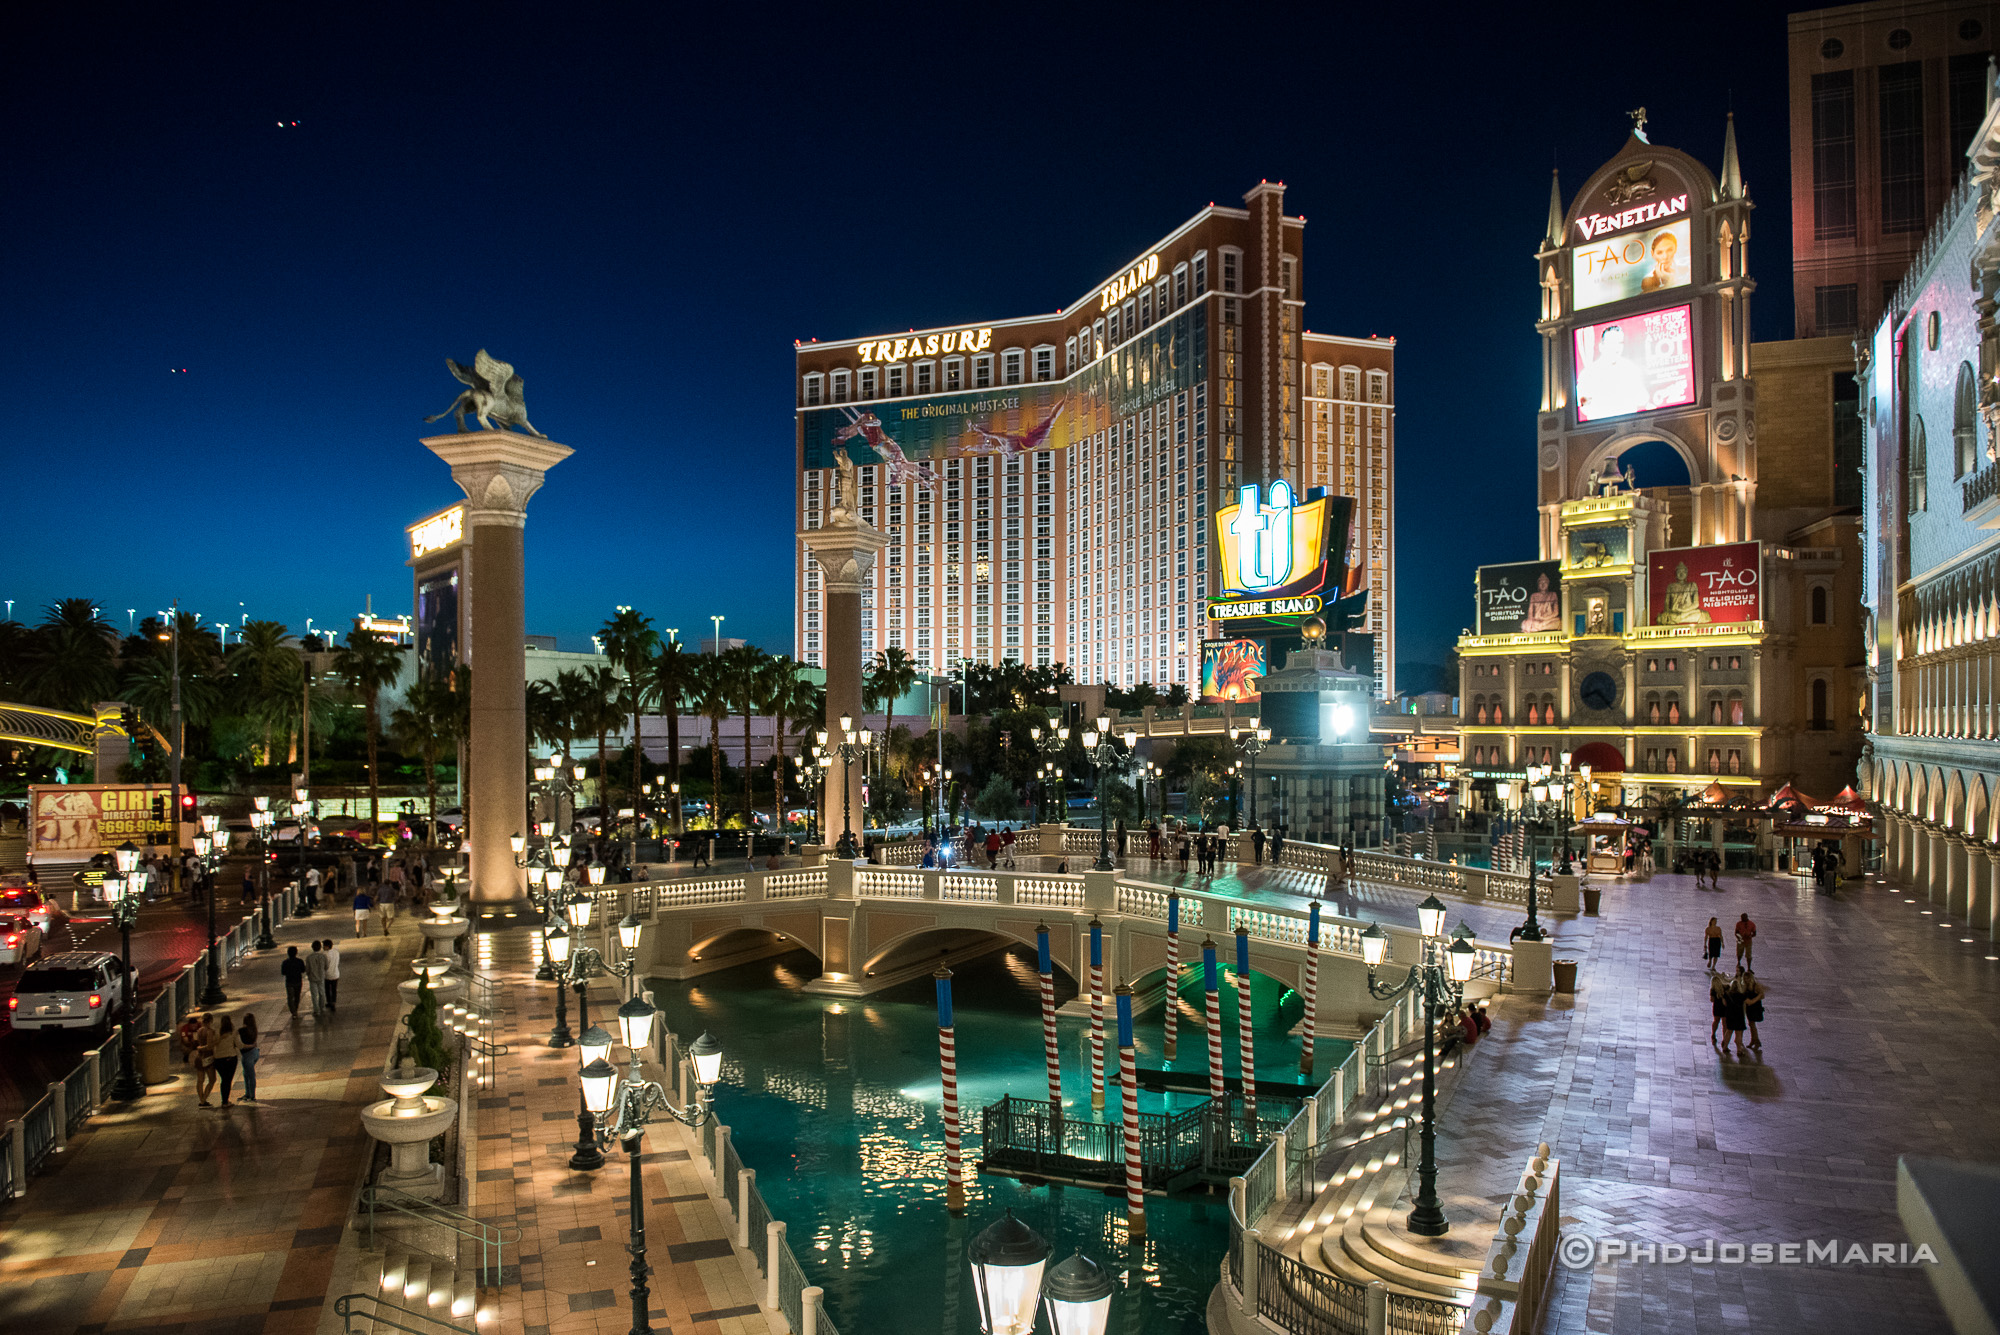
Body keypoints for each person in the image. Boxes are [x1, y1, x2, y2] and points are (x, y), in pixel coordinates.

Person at [211, 1015, 242, 1107]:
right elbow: (239, 1045)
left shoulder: (217, 1033)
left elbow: (213, 1044)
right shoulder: (233, 1033)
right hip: (230, 1058)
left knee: (224, 1080)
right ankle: (225, 1101)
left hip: (218, 1060)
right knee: (228, 1080)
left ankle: (224, 1100)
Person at [191, 1012, 219, 1106]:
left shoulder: (199, 1031)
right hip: (208, 1058)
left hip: (199, 1058)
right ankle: (203, 1100)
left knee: (200, 1080)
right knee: (212, 1080)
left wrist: (199, 1048)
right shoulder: (210, 1031)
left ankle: (201, 1100)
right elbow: (209, 1046)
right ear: (211, 1020)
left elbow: (196, 1043)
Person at [1719, 975, 1750, 1056]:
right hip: (1739, 1016)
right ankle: (1739, 1050)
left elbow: (1724, 1004)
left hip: (1730, 1015)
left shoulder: (1727, 995)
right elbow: (1748, 1002)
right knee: (1738, 1033)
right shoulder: (1741, 995)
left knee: (1728, 1031)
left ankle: (1725, 1047)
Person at [238, 1012, 261, 1101]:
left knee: (249, 1075)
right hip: (255, 1053)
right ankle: (249, 1094)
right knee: (247, 1074)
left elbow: (240, 1044)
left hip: (247, 1055)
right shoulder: (254, 1029)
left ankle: (251, 1095)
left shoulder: (242, 1030)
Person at [304, 940, 329, 1017]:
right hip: (321, 977)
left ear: (312, 948)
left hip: (312, 978)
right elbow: (326, 966)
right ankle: (322, 1007)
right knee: (322, 992)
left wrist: (308, 974)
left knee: (314, 994)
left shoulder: (308, 958)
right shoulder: (323, 956)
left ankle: (316, 1010)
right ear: (320, 948)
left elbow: (307, 969)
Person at [1740, 972, 1765, 1049]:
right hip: (1749, 1008)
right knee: (1751, 1024)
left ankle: (1756, 1041)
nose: (1746, 980)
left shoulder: (1756, 986)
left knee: (1752, 1025)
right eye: (1745, 979)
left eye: (1747, 978)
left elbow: (1762, 995)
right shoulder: (1745, 986)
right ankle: (1753, 1040)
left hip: (1755, 1007)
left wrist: (1754, 1000)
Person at [280, 945, 306, 1015]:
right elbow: (303, 970)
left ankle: (293, 1011)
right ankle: (296, 1008)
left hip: (289, 982)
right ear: (296, 953)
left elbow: (283, 972)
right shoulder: (300, 961)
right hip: (298, 981)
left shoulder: (285, 962)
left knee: (290, 997)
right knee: (297, 996)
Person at [1709, 972, 1729, 1045]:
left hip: (1717, 1007)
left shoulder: (1713, 990)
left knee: (1716, 1021)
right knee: (1725, 1024)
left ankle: (1713, 1034)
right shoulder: (1724, 988)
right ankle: (1724, 1039)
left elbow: (1712, 1000)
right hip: (1724, 1008)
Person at [324, 938, 342, 1011]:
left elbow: (325, 965)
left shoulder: (325, 954)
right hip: (336, 973)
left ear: (327, 946)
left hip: (327, 975)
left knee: (327, 989)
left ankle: (329, 1001)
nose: (323, 947)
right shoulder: (336, 952)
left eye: (324, 946)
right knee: (334, 989)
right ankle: (333, 1002)